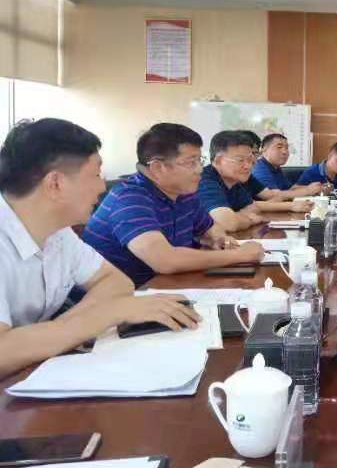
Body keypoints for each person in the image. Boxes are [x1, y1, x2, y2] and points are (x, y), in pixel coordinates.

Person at [0, 119, 201, 377]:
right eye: (96, 175)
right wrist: (105, 315)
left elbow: (116, 282)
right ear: (55, 184)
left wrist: (64, 331)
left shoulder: (59, 233)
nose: (102, 186)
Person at [83, 124, 265, 287]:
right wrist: (239, 255)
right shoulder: (129, 199)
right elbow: (164, 260)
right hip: (117, 301)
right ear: (157, 168)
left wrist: (220, 239)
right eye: (191, 162)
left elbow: (211, 229)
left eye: (199, 161)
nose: (199, 169)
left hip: (164, 288)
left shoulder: (184, 192)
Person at [198, 131, 312, 232]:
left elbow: (253, 208)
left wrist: (237, 216)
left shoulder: (234, 182)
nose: (248, 166)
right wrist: (249, 219)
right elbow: (228, 223)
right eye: (240, 160)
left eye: (250, 160)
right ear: (218, 160)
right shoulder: (204, 180)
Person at [252, 133, 324, 197]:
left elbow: (289, 189)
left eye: (286, 148)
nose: (284, 152)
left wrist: (318, 188)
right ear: (264, 150)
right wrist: (308, 191)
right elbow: (274, 196)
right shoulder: (259, 169)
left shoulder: (276, 168)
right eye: (279, 147)